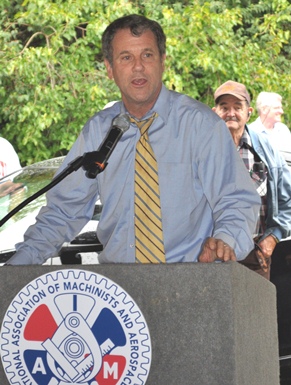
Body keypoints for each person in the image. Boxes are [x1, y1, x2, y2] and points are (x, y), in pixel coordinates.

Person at [6, 15, 260, 266]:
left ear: (162, 61)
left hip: (190, 284)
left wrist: (225, 240)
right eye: (126, 57)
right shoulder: (98, 131)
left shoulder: (202, 125)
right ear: (110, 69)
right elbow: (62, 213)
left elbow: (235, 199)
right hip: (119, 294)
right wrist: (13, 271)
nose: (138, 67)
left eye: (147, 55)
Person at [212, 80, 291, 279]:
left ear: (248, 112)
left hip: (256, 254)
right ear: (215, 112)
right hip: (213, 255)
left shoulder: (267, 150)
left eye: (237, 107)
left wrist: (273, 237)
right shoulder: (203, 149)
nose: (231, 113)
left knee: (256, 310)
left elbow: (287, 200)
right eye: (224, 107)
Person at [249, 92, 291, 160]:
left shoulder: (283, 130)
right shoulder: (251, 132)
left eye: (281, 108)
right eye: (277, 108)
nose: (281, 111)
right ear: (264, 110)